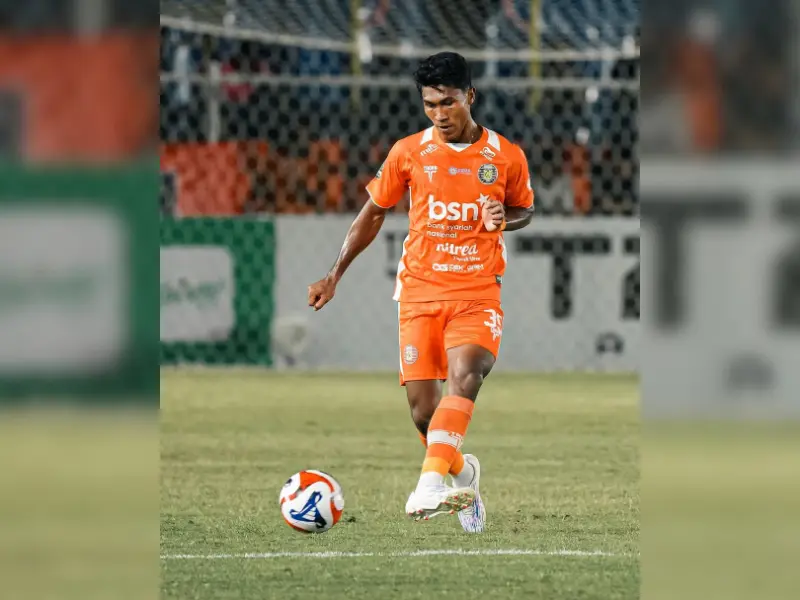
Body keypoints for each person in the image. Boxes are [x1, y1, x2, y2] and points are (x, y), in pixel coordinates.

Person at [307, 52, 534, 533]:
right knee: (425, 415)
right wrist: (334, 274)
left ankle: (428, 487)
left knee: (467, 375)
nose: (439, 113)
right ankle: (464, 475)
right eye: (430, 104)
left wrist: (504, 217)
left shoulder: (505, 155)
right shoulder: (409, 152)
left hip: (477, 289)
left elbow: (524, 209)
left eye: (448, 102)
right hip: (420, 293)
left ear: (470, 96)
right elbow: (373, 213)